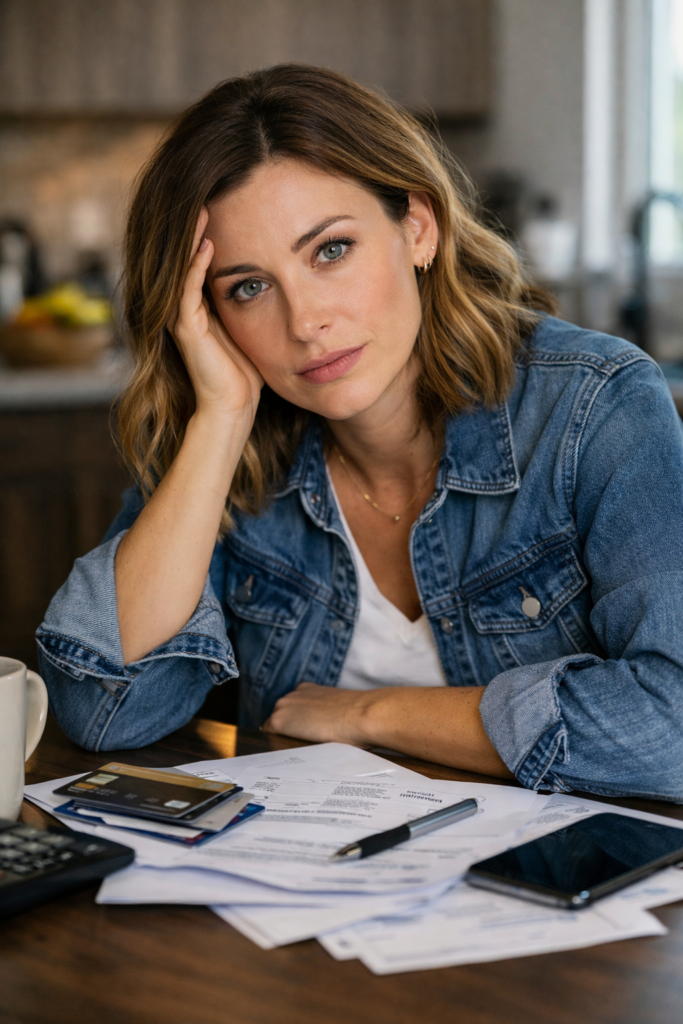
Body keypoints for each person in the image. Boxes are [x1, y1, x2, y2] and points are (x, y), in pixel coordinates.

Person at [37, 64, 683, 801]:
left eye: (330, 250)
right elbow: (104, 709)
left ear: (417, 227)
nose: (305, 322)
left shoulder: (594, 408)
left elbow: (672, 731)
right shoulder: (226, 444)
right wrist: (220, 419)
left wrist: (372, 713)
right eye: (248, 287)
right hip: (312, 867)